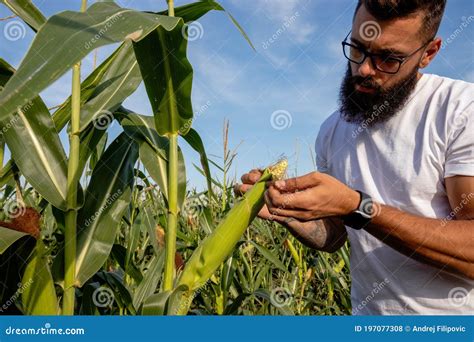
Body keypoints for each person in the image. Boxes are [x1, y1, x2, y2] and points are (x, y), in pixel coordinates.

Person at [235, 0, 473, 315]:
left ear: (428, 53)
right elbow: (334, 235)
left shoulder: (460, 110)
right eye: (358, 48)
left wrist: (358, 207)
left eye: (387, 58)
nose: (363, 68)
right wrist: (285, 211)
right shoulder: (332, 130)